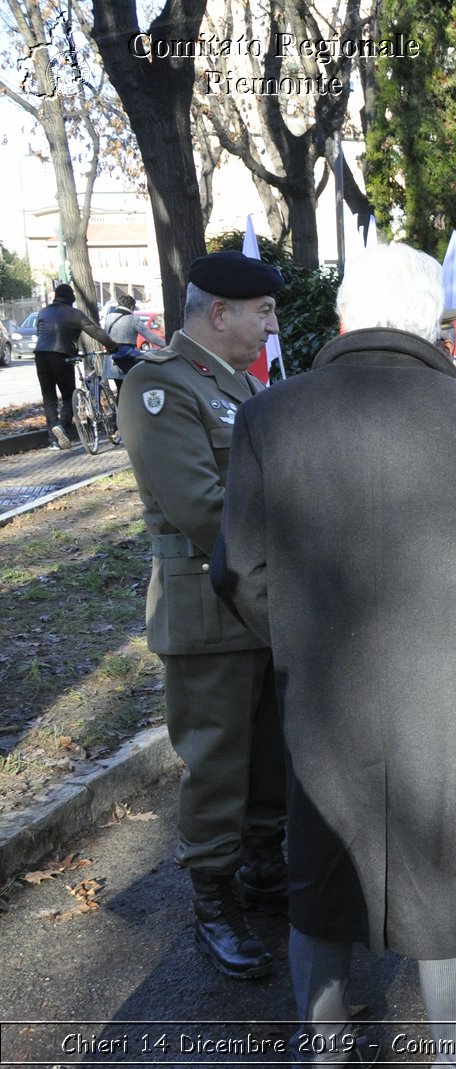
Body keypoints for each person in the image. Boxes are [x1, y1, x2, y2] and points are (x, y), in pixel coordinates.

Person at [212, 242, 456, 1065]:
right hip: (447, 693)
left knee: (321, 869)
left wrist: (296, 641)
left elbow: (239, 570)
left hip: (321, 694)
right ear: (436, 322)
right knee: (446, 882)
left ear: (341, 317)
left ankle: (323, 1047)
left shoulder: (270, 414)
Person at [118, 252, 289, 981]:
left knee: (269, 757)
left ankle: (261, 867)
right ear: (220, 313)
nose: (273, 323)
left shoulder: (240, 385)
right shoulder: (159, 386)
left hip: (259, 605)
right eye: (264, 312)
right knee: (218, 765)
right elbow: (204, 509)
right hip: (207, 610)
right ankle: (213, 904)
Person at [35, 282, 115, 448]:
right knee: (68, 396)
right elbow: (96, 331)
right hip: (62, 357)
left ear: (56, 296)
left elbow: (41, 334)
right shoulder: (74, 314)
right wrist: (113, 345)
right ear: (71, 298)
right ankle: (62, 426)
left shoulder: (43, 312)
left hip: (41, 356)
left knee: (49, 398)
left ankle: (53, 440)